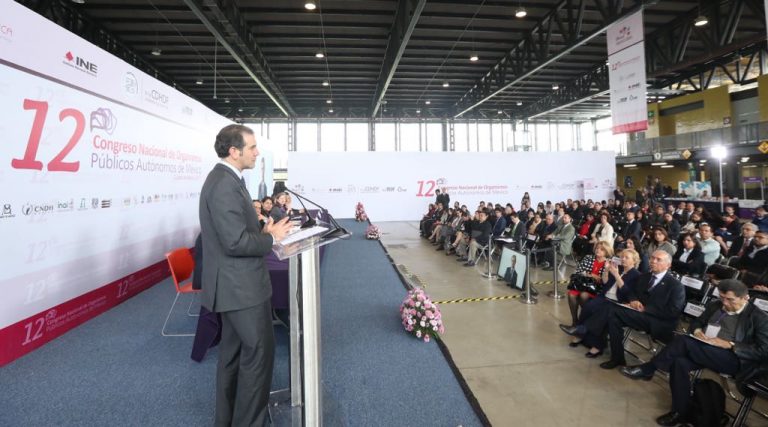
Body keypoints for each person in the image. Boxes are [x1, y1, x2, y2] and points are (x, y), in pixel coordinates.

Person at [199, 124, 292, 427]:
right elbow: (235, 242)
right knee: (257, 357)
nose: (257, 152)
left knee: (234, 359)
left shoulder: (228, 180)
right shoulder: (224, 184)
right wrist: (271, 239)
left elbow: (237, 232)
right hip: (240, 288)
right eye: (252, 147)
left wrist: (262, 231)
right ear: (234, 151)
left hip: (237, 286)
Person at [620, 279, 768, 427]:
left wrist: (730, 344)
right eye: (722, 298)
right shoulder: (715, 305)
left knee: (684, 342)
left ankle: (648, 369)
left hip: (734, 358)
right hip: (705, 347)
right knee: (679, 363)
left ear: (745, 298)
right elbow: (696, 323)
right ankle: (679, 412)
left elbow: (763, 350)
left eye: (730, 300)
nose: (725, 303)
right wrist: (697, 332)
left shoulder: (759, 317)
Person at [599, 251, 686, 370]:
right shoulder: (645, 277)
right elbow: (632, 293)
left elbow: (673, 311)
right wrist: (633, 300)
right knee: (614, 318)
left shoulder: (676, 286)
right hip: (638, 315)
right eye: (652, 258)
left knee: (612, 310)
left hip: (658, 321)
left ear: (668, 265)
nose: (653, 261)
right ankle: (617, 358)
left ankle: (594, 339)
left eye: (658, 259)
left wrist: (646, 309)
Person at [561, 249, 642, 358]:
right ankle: (580, 335)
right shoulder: (619, 268)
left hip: (618, 301)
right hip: (605, 296)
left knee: (602, 313)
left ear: (634, 261)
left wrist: (617, 275)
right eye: (622, 257)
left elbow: (627, 293)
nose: (623, 259)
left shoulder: (636, 275)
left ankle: (596, 344)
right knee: (588, 307)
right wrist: (607, 270)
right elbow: (606, 283)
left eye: (626, 257)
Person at [562, 242, 612, 327]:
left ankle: (585, 320)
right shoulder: (588, 257)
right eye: (597, 248)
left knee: (584, 295)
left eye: (601, 249)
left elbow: (605, 281)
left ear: (606, 252)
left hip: (596, 288)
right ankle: (575, 321)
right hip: (582, 284)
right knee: (571, 294)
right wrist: (592, 275)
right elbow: (579, 270)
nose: (598, 250)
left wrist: (603, 273)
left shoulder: (608, 263)